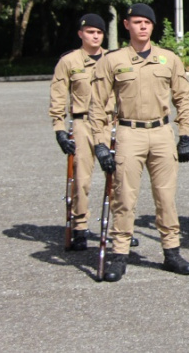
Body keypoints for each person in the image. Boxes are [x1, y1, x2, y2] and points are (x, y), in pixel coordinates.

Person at [90, 3, 189, 282]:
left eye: (147, 23)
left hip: (161, 133)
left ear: (153, 26)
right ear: (127, 25)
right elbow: (97, 105)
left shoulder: (169, 59)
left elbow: (183, 98)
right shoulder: (112, 61)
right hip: (128, 132)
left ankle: (172, 251)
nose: (142, 27)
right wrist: (100, 143)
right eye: (137, 22)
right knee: (124, 197)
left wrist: (185, 134)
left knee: (166, 198)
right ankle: (120, 254)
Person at [49, 14, 110, 251]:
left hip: (109, 123)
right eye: (91, 32)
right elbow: (58, 95)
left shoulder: (114, 59)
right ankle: (80, 227)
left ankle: (117, 229)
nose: (95, 36)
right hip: (82, 124)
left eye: (99, 32)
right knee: (82, 180)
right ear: (81, 34)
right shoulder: (69, 61)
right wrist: (59, 129)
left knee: (117, 180)